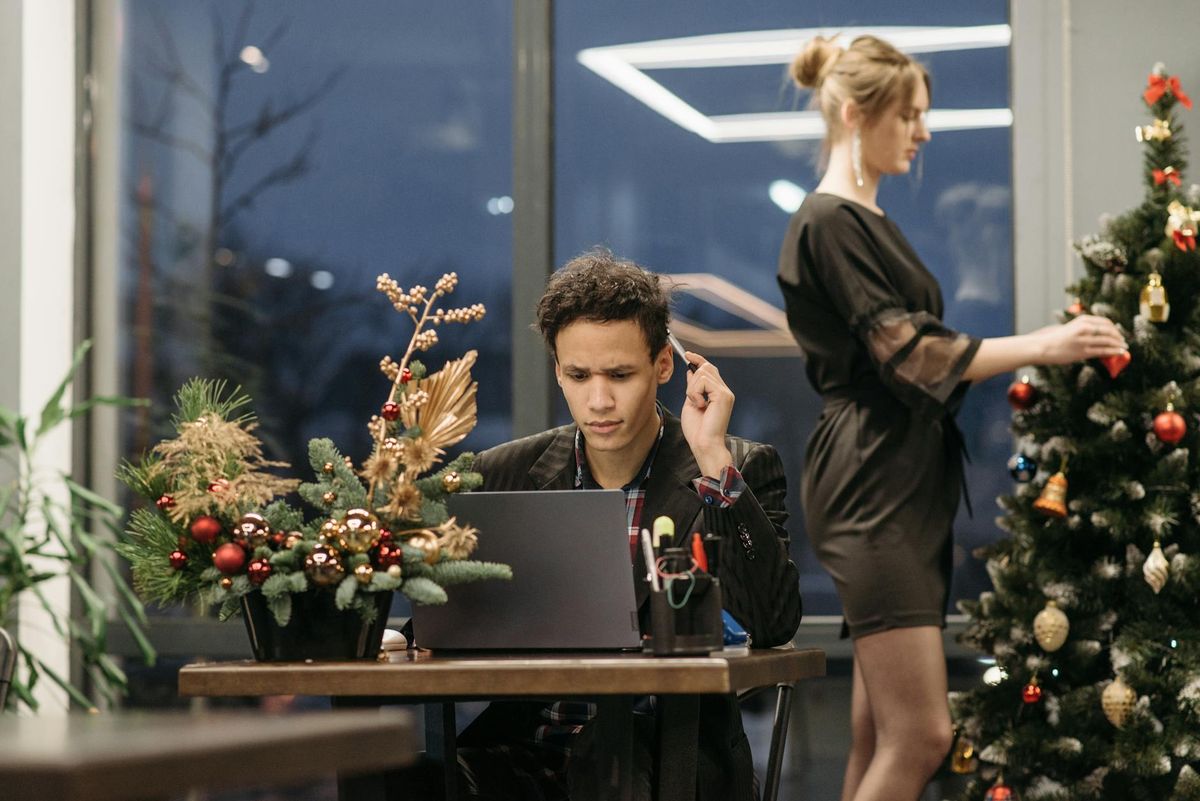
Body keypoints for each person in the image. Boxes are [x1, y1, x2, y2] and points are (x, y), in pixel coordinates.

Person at [775, 35, 1127, 801]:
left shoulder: (862, 217)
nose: (923, 133)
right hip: (872, 485)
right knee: (923, 734)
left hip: (899, 477)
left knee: (876, 733)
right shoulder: (830, 223)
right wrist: (1045, 344)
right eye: (909, 116)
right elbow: (909, 352)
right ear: (853, 114)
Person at [456, 248, 803, 801]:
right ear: (557, 371)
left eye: (620, 375)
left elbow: (771, 622)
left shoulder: (736, 466)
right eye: (578, 375)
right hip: (529, 747)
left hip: (667, 753)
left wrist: (713, 459)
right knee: (407, 777)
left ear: (664, 365)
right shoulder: (502, 473)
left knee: (607, 766)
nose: (598, 400)